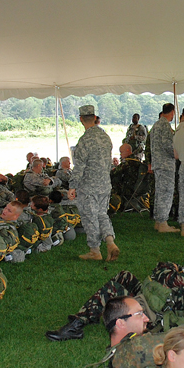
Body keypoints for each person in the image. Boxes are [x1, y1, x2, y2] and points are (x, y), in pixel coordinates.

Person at [46, 242, 184, 340]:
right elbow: (163, 273)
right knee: (124, 276)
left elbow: (164, 274)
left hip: (154, 314)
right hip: (152, 298)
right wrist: (166, 271)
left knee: (115, 296)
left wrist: (167, 268)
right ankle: (80, 320)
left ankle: (79, 323)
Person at [68, 105, 119, 261]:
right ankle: (110, 242)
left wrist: (72, 186)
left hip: (89, 186)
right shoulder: (105, 137)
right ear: (95, 117)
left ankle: (95, 250)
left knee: (90, 217)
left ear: (81, 119)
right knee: (102, 215)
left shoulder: (84, 140)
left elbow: (80, 166)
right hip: (104, 184)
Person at [147, 102, 178, 232]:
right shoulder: (165, 126)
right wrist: (176, 154)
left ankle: (158, 221)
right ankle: (163, 223)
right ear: (172, 112)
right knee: (166, 193)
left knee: (160, 193)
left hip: (158, 163)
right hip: (165, 164)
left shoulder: (156, 125)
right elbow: (168, 145)